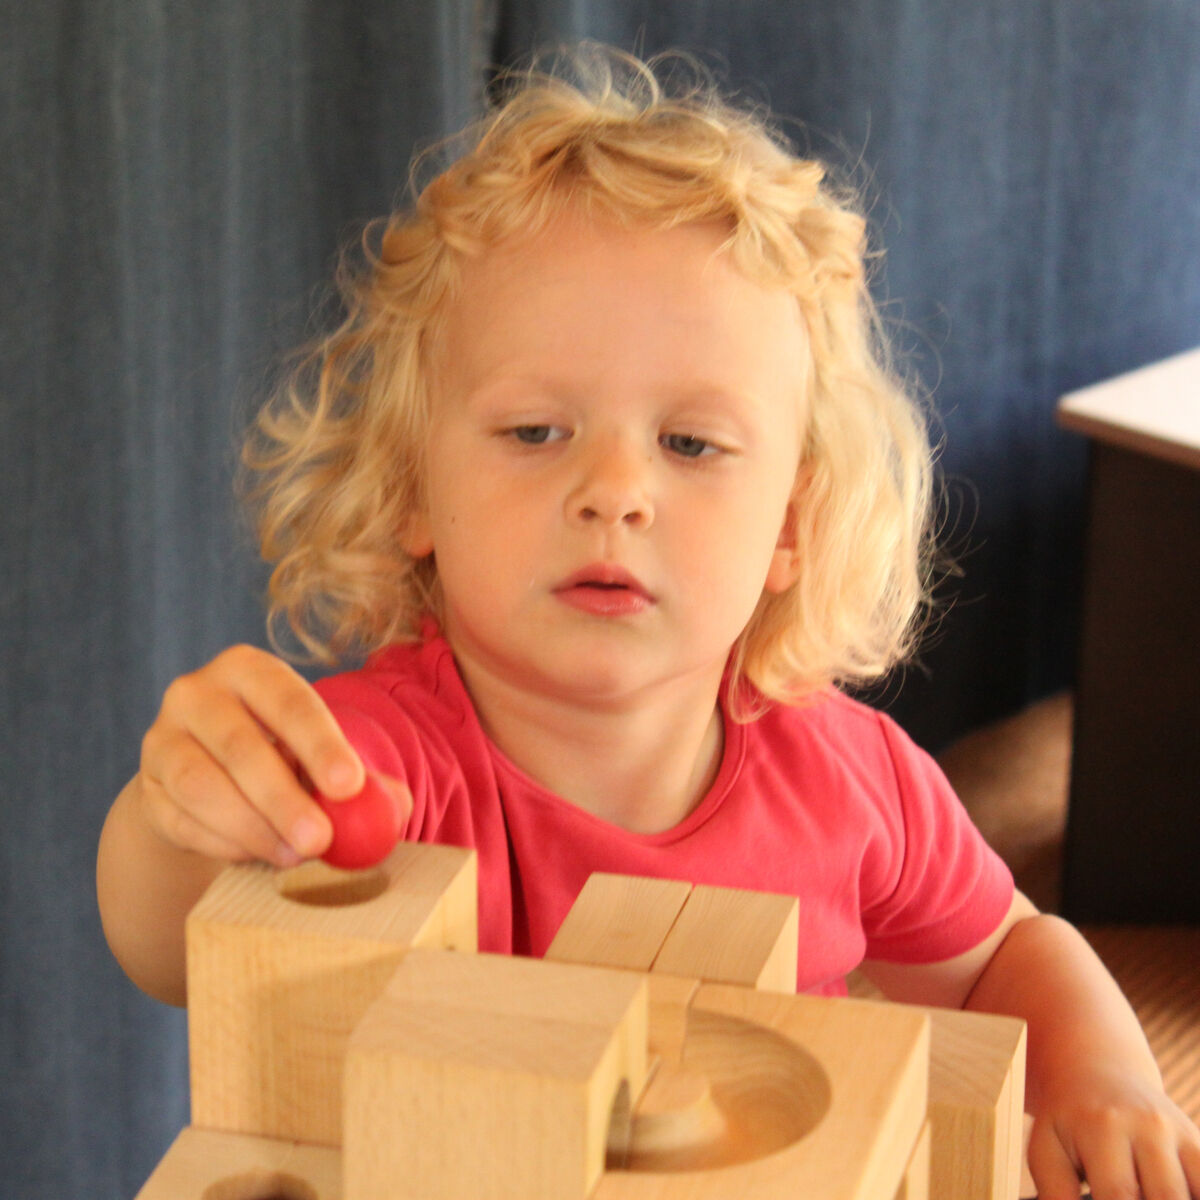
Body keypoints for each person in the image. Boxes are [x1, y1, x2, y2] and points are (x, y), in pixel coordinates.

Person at [97, 46, 1200, 1200]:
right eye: (535, 432)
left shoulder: (851, 776)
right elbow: (171, 942)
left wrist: (1105, 1068)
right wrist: (185, 815)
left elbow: (1010, 956)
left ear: (792, 523)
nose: (614, 491)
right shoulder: (377, 766)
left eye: (690, 444)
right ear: (414, 488)